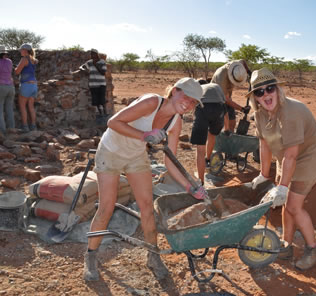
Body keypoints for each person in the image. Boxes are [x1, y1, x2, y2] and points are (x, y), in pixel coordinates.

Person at [84, 77, 207, 281]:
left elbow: (170, 162)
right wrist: (145, 135)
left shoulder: (176, 122)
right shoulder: (151, 102)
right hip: (110, 152)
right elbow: (113, 122)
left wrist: (190, 187)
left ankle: (153, 255)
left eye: (194, 102)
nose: (188, 103)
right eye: (186, 96)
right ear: (174, 91)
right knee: (106, 207)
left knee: (148, 206)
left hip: (135, 156)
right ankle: (90, 257)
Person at [249, 68, 316, 270]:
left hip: (308, 157)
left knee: (292, 205)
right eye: (259, 92)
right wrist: (263, 175)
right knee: (285, 203)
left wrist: (282, 187)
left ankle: (314, 248)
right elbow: (264, 144)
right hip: (288, 157)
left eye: (270, 88)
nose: (265, 94)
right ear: (254, 98)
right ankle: (286, 244)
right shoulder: (259, 114)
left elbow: (292, 155)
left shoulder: (290, 112)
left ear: (277, 89)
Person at [190, 79, 226, 184]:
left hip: (203, 109)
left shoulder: (198, 90)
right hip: (219, 109)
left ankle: (200, 182)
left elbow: (194, 107)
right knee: (212, 135)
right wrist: (227, 128)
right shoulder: (215, 86)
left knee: (200, 150)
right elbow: (225, 108)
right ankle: (208, 159)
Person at [211, 60, 251, 134]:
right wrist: (242, 109)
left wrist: (248, 71)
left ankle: (231, 138)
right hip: (216, 99)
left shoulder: (237, 66)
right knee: (219, 124)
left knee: (232, 122)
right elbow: (226, 100)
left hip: (227, 97)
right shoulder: (221, 78)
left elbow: (243, 61)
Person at [78, 49, 107, 122]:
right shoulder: (89, 62)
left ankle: (105, 113)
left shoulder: (102, 62)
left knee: (102, 100)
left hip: (101, 84)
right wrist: (82, 69)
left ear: (97, 54)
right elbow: (82, 66)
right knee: (96, 101)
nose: (92, 55)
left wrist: (95, 65)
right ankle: (100, 115)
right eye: (91, 54)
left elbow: (103, 72)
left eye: (93, 54)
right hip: (93, 84)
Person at [15, 43, 38, 132]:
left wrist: (15, 69)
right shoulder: (34, 60)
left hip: (26, 85)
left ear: (25, 50)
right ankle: (33, 126)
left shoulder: (24, 59)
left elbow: (17, 72)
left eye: (21, 50)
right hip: (34, 85)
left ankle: (25, 126)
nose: (20, 51)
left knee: (22, 106)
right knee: (31, 107)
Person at [0, 46, 15, 134]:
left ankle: (2, 131)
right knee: (9, 108)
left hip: (1, 87)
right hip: (10, 86)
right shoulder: (9, 61)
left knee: (0, 110)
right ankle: (12, 129)